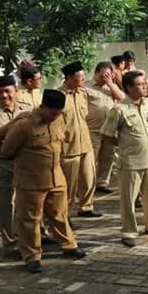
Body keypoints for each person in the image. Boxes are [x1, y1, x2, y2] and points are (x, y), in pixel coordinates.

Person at [1, 89, 87, 272]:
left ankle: (68, 244)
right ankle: (31, 256)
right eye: (52, 113)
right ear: (43, 107)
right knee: (30, 219)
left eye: (58, 113)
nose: (55, 116)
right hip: (31, 182)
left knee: (60, 214)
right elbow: (7, 151)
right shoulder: (24, 126)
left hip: (56, 178)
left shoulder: (59, 120)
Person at [101, 71, 148, 247]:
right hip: (130, 161)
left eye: (144, 83)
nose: (144, 86)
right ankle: (129, 231)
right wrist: (123, 145)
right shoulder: (119, 109)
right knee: (128, 198)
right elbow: (106, 134)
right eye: (139, 84)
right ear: (129, 87)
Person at [0, 75, 33, 253]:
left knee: (26, 202)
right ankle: (11, 243)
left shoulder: (27, 108)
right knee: (4, 206)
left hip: (22, 162)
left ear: (16, 91)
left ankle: (34, 236)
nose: (3, 95)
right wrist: (16, 121)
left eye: (7, 91)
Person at [59, 62, 101, 218]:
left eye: (84, 76)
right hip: (69, 147)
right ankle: (65, 215)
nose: (84, 80)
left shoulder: (82, 93)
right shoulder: (59, 96)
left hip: (85, 143)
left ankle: (86, 207)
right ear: (69, 78)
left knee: (89, 179)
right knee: (69, 185)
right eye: (80, 77)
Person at [87, 62, 125, 194]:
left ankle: (102, 182)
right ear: (96, 73)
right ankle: (87, 184)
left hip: (109, 128)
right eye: (103, 75)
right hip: (93, 129)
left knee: (107, 157)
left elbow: (123, 99)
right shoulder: (86, 87)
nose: (105, 78)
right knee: (91, 158)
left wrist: (111, 84)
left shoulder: (112, 87)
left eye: (108, 75)